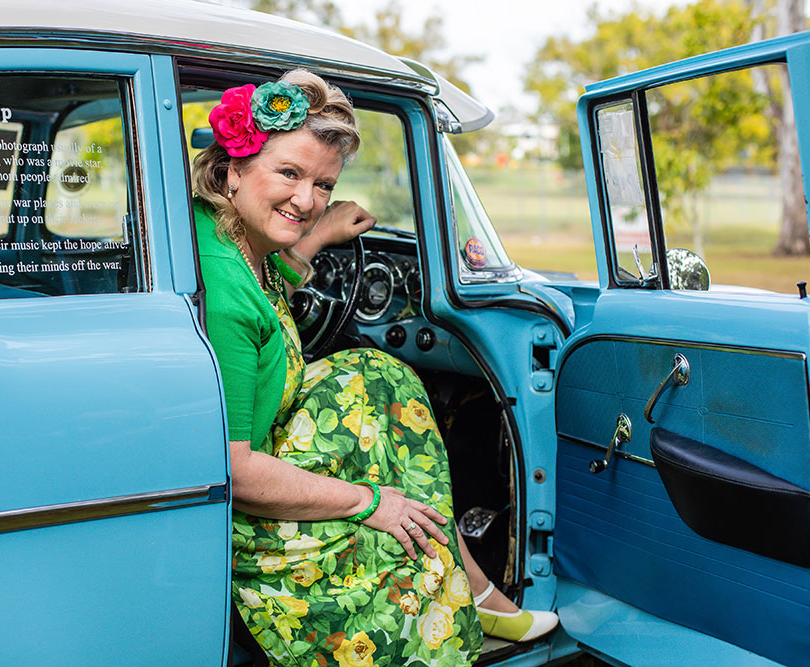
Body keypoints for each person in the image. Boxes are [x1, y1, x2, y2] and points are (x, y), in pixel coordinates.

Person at [192, 69, 558, 666]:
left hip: (260, 453)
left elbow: (263, 290)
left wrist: (316, 238)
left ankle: (467, 576)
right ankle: (452, 595)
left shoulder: (220, 234)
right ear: (234, 168)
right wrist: (368, 501)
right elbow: (235, 469)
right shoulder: (225, 291)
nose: (307, 201)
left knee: (377, 375)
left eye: (323, 184)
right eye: (289, 173)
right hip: (241, 510)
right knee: (393, 490)